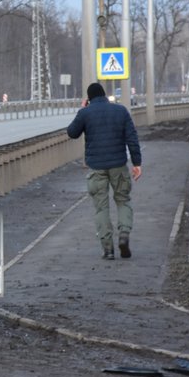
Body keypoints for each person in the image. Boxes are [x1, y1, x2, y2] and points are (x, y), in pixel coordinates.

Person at [67, 82, 143, 260]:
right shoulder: (121, 111)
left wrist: (82, 110)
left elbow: (72, 132)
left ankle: (108, 249)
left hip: (96, 167)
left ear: (89, 99)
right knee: (123, 200)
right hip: (118, 165)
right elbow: (132, 138)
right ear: (105, 95)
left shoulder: (85, 113)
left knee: (101, 208)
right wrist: (137, 163)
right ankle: (124, 234)